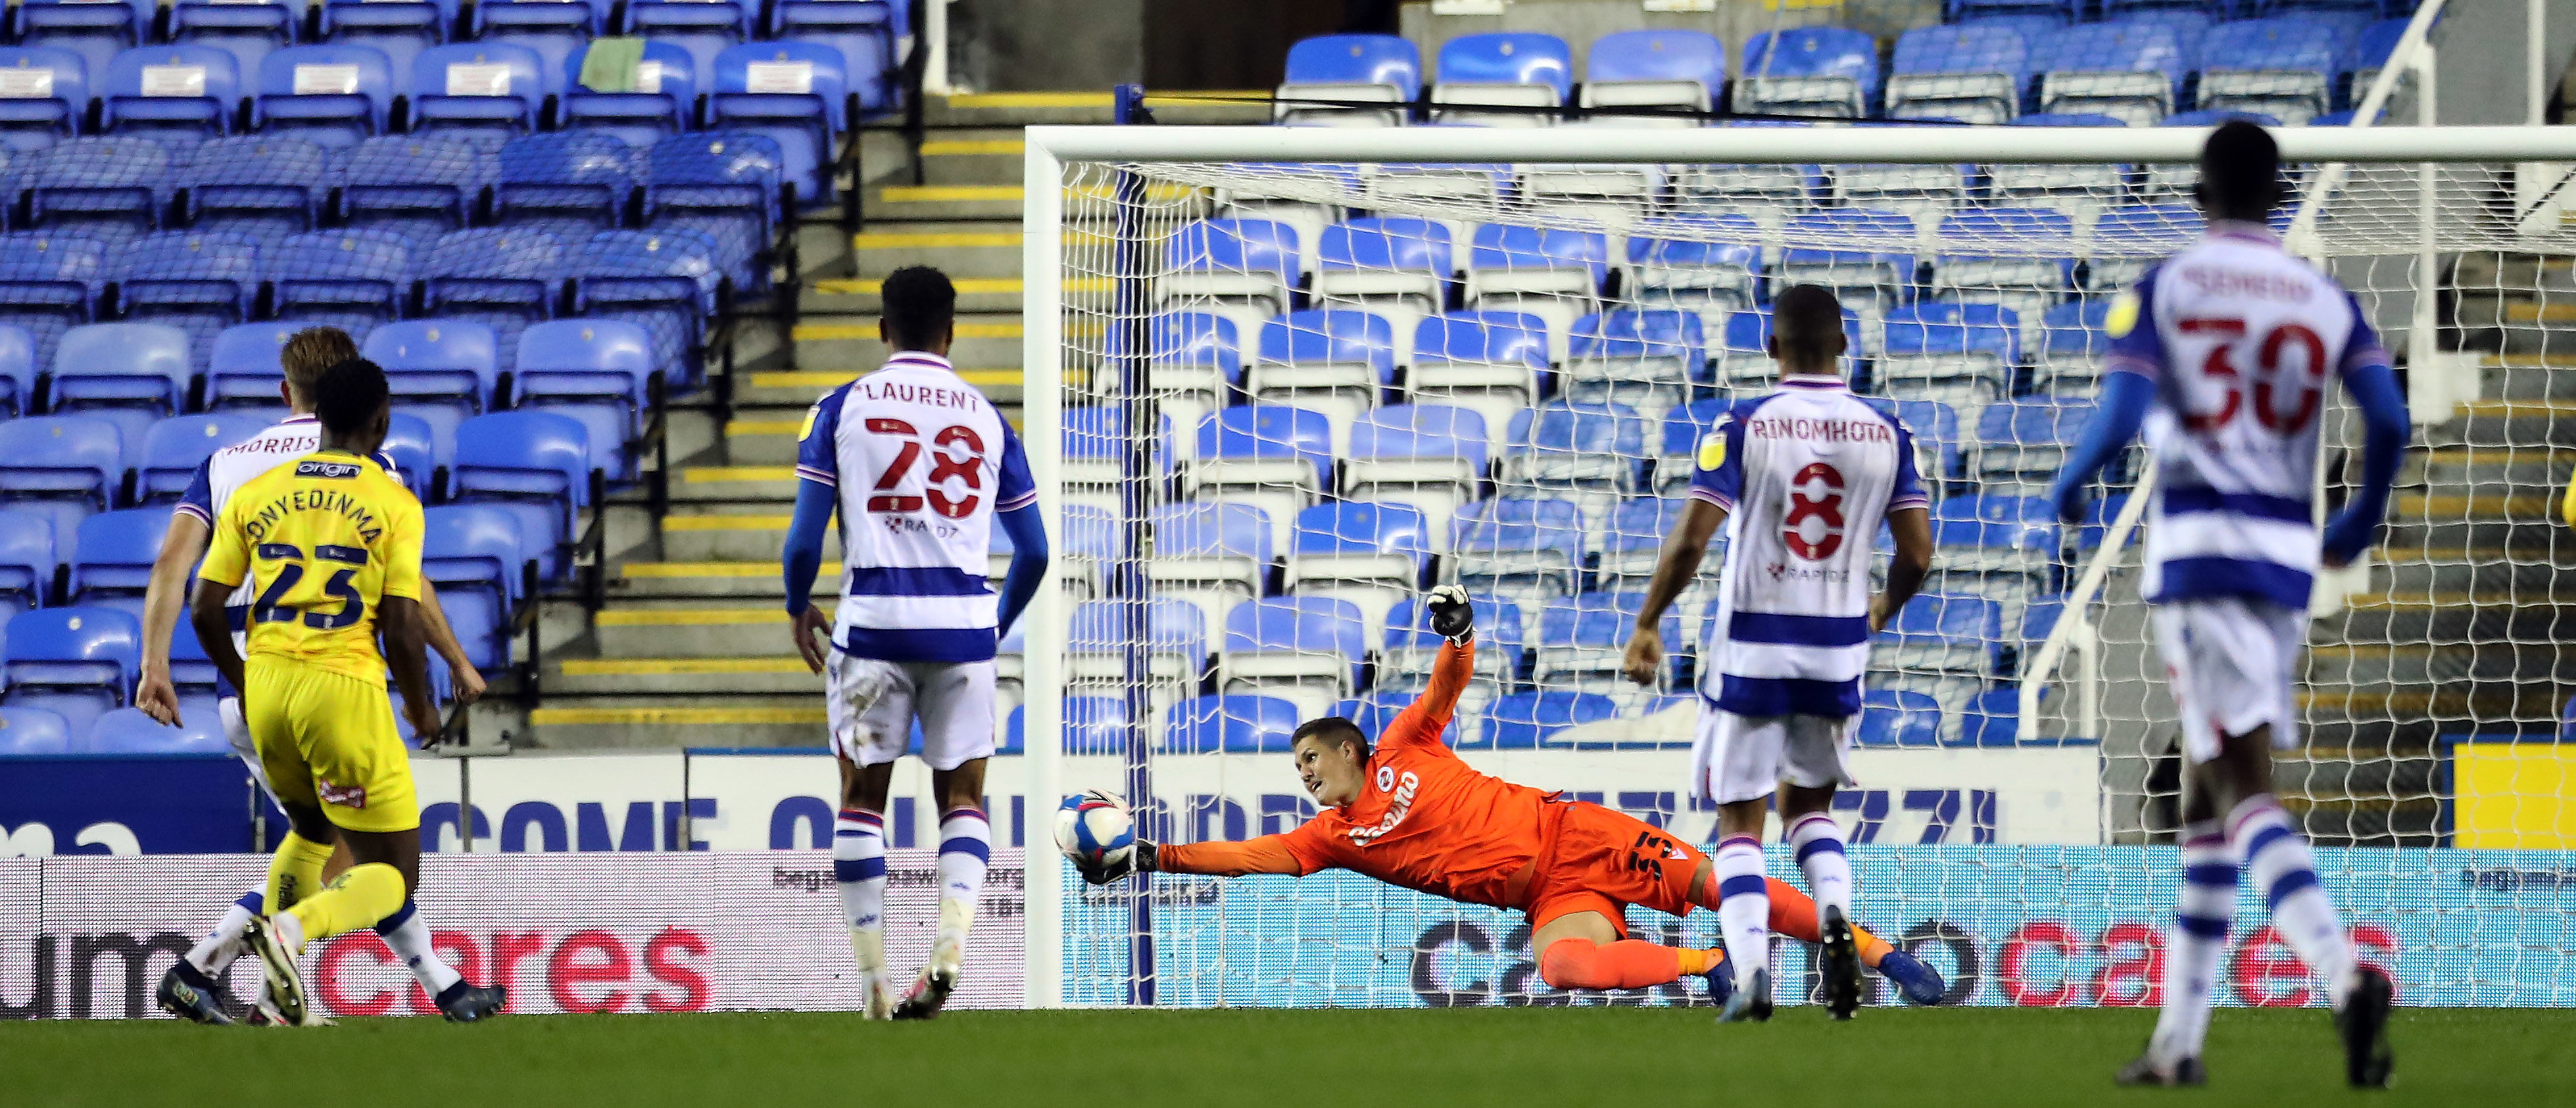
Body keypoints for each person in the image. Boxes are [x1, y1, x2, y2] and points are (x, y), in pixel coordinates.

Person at [1071, 587, 1949, 1010]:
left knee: (1726, 886)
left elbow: (1448, 679)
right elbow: (1246, 858)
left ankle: (1883, 959)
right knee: (1564, 967)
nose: (1302, 774)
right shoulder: (1331, 837)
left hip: (1581, 834)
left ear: (1348, 747)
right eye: (1297, 767)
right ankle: (1709, 967)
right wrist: (1149, 854)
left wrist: (1457, 630)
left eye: (1309, 758)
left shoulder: (1407, 742)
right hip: (1551, 895)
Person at [2047, 120, 2404, 1089]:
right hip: (2285, 559)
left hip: (2201, 554)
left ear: (2199, 197)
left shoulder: (2169, 283)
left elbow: (2123, 412)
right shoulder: (2324, 295)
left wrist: (2072, 481)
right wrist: (2362, 514)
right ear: (2279, 198)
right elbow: (2388, 414)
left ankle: (2341, 976)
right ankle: (2179, 1042)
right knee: (2205, 800)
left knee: (2239, 783)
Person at [145, 327, 500, 1025]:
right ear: (372, 405)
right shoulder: (378, 471)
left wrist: (158, 666)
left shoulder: (232, 466)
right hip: (339, 679)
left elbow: (176, 574)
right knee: (373, 864)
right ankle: (223, 962)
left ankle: (420, 991)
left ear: (288, 390)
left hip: (251, 682)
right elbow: (405, 595)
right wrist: (451, 665)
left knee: (314, 836)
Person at [1617, 284, 1934, 1023]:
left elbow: (1694, 537)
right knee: (1808, 805)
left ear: (1770, 347)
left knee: (1739, 820)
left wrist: (1647, 622)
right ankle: (1833, 916)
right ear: (1844, 346)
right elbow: (1916, 553)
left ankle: (1755, 973)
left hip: (1752, 648)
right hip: (1836, 651)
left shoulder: (1743, 422)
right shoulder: (1887, 429)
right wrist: (1883, 606)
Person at [783, 266, 1050, 1019]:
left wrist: (797, 604)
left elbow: (804, 538)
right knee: (962, 798)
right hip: (963, 629)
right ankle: (952, 946)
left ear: (881, 326)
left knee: (862, 799)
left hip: (871, 627)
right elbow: (1034, 551)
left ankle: (871, 982)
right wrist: (989, 627)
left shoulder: (840, 406)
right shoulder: (989, 419)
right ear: (952, 330)